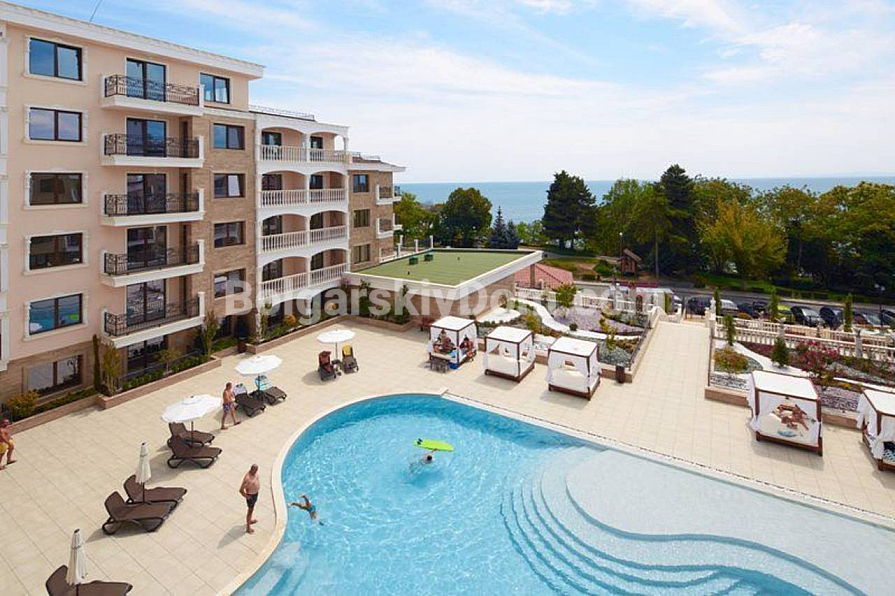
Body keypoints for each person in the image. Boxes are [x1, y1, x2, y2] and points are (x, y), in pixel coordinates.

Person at [239, 464, 260, 533]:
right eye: (255, 470)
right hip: (251, 496)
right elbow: (241, 490)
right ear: (251, 469)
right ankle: (248, 528)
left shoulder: (255, 474)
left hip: (255, 494)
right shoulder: (247, 478)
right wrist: (247, 496)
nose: (256, 472)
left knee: (252, 509)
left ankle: (250, 520)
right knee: (250, 511)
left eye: (257, 470)